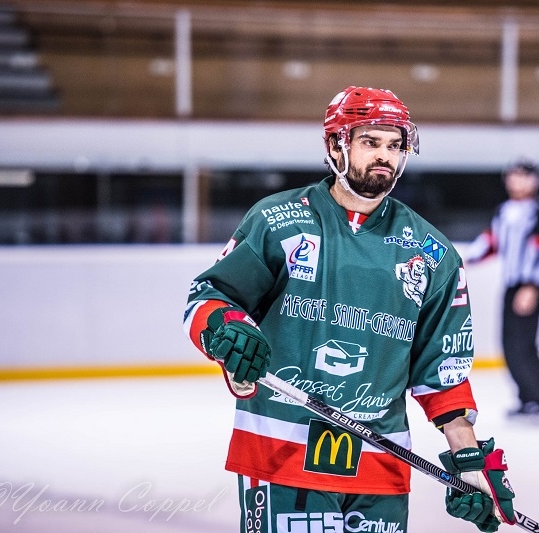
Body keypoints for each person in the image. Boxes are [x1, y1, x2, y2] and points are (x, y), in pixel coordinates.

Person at [183, 86, 515, 533]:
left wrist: (469, 457)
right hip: (282, 452)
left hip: (380, 465)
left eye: (395, 146)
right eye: (371, 143)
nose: (386, 157)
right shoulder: (278, 221)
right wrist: (229, 330)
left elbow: (443, 372)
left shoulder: (432, 253)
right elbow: (209, 297)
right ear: (335, 145)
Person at [465, 159, 539, 420]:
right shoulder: (504, 210)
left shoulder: (538, 212)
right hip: (511, 284)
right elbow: (491, 242)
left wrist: (532, 286)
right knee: (510, 344)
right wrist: (464, 258)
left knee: (524, 344)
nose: (516, 181)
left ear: (535, 181)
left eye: (522, 176)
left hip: (529, 286)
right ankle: (527, 398)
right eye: (512, 176)